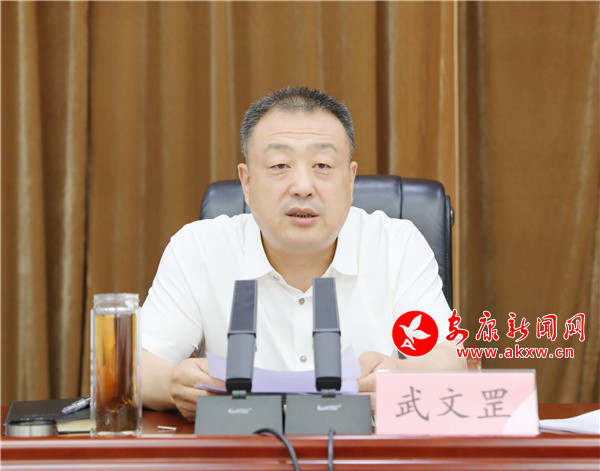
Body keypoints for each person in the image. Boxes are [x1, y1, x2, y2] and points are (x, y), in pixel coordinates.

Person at [141, 86, 465, 420]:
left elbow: (448, 359)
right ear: (247, 182)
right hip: (242, 445)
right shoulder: (198, 249)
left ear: (350, 180)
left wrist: (399, 378)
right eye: (280, 165)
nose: (302, 187)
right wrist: (173, 385)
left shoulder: (396, 245)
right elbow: (135, 365)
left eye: (322, 165)